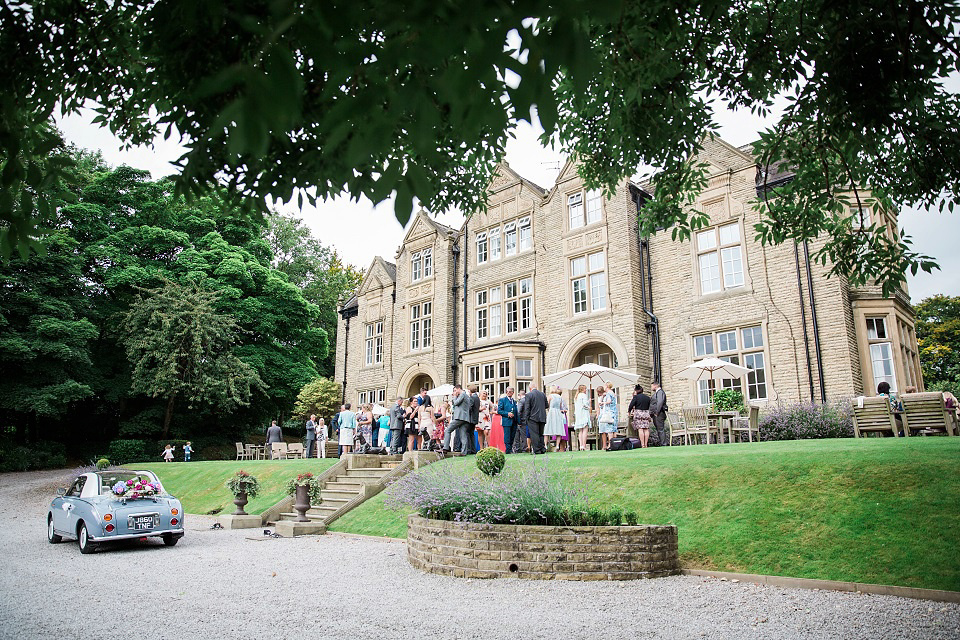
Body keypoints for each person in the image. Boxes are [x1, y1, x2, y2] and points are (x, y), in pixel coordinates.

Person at [521, 384, 548, 454]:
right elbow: (546, 405)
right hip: (542, 417)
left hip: (532, 418)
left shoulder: (529, 395)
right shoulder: (542, 394)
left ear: (530, 388)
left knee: (534, 434)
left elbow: (527, 408)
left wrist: (526, 418)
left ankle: (537, 450)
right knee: (541, 434)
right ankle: (542, 449)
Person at [445, 384, 471, 455]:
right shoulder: (466, 396)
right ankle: (464, 452)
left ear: (459, 389)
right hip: (465, 418)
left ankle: (445, 447)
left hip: (459, 417)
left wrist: (454, 397)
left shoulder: (462, 394)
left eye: (455, 390)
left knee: (448, 430)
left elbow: (456, 403)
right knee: (463, 435)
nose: (454, 392)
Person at [497, 387, 519, 454]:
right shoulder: (502, 400)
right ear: (506, 392)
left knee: (512, 435)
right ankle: (508, 450)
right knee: (507, 436)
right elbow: (499, 411)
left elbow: (516, 411)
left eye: (510, 391)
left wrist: (518, 421)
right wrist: (507, 414)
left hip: (514, 421)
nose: (509, 393)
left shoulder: (514, 401)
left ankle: (511, 448)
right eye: (508, 391)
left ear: (513, 392)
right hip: (506, 421)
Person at [544, 385, 566, 450]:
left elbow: (547, 405)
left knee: (547, 429)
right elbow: (560, 406)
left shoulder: (550, 396)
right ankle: (557, 445)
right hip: (558, 413)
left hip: (551, 412)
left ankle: (545, 445)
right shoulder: (559, 397)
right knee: (558, 429)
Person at [597, 382, 618, 449]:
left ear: (606, 386)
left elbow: (609, 401)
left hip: (609, 413)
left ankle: (611, 444)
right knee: (614, 429)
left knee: (609, 430)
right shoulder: (612, 392)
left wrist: (603, 403)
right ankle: (614, 444)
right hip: (614, 412)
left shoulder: (609, 393)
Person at [650, 381, 668, 446]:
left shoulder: (660, 392)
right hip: (656, 414)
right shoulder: (657, 393)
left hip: (659, 414)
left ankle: (663, 443)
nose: (651, 388)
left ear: (655, 386)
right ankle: (662, 442)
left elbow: (660, 402)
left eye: (652, 386)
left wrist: (657, 412)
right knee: (659, 429)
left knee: (660, 429)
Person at [464, 385, 480, 455]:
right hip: (475, 418)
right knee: (472, 434)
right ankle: (473, 449)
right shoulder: (477, 398)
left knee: (468, 433)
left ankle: (469, 449)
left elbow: (469, 407)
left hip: (470, 418)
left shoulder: (472, 397)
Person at [574, 384, 591, 451]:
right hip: (583, 413)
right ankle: (584, 445)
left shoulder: (576, 396)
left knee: (580, 430)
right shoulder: (583, 395)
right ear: (583, 389)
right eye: (585, 389)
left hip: (578, 414)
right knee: (585, 429)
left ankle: (581, 445)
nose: (586, 390)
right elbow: (584, 405)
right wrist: (589, 403)